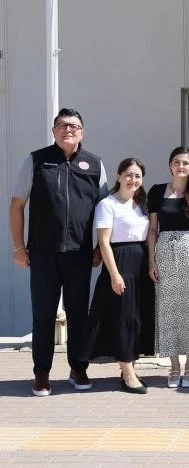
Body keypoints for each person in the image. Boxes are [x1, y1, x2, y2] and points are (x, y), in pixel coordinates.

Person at [9, 107, 108, 397]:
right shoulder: (36, 160)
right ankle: (41, 374)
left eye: (74, 126)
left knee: (79, 314)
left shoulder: (95, 165)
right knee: (43, 315)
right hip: (43, 254)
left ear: (82, 132)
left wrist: (100, 248)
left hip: (80, 254)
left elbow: (105, 211)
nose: (68, 130)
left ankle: (78, 368)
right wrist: (18, 247)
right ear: (54, 131)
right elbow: (16, 205)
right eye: (62, 125)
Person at [81, 158, 155, 394]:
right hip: (119, 262)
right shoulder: (107, 204)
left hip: (140, 263)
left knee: (136, 319)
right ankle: (128, 373)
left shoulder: (141, 204)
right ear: (119, 176)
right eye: (129, 175)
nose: (133, 180)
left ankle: (129, 369)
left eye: (138, 176)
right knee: (122, 319)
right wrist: (114, 274)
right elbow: (104, 242)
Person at [147, 147, 189, 389]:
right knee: (168, 309)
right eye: (176, 162)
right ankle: (174, 365)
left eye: (185, 163)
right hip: (164, 254)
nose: (181, 166)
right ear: (170, 165)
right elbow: (152, 229)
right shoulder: (156, 191)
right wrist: (151, 260)